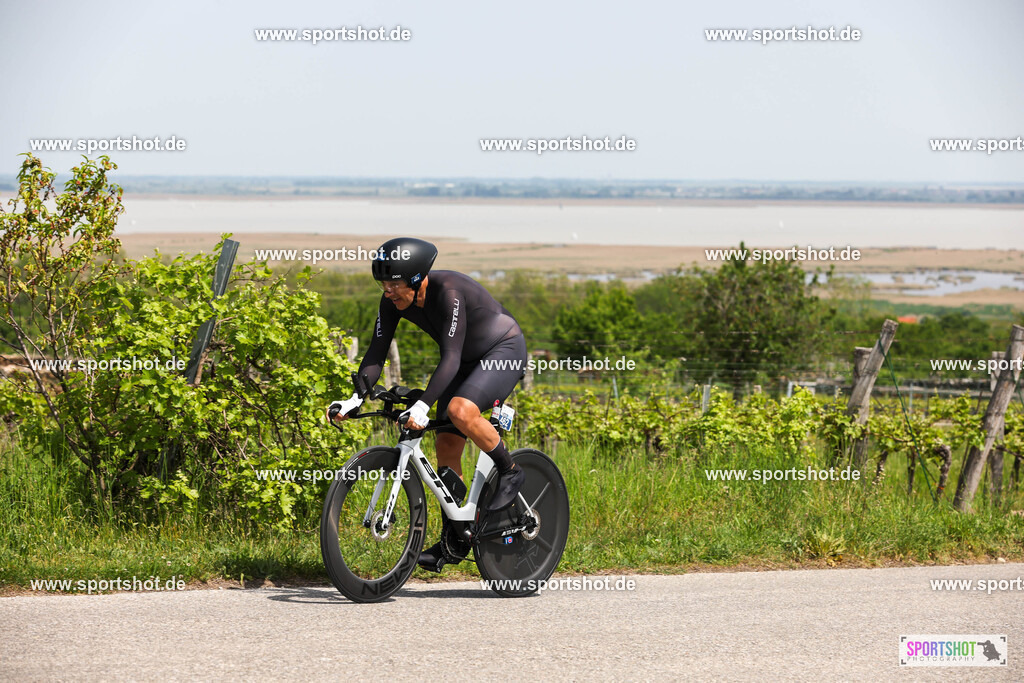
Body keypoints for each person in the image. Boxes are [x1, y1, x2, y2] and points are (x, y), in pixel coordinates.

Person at [327, 237, 527, 571]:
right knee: (446, 448)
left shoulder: (447, 293)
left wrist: (422, 406)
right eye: (383, 283)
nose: (388, 291)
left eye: (394, 284)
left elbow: (449, 357)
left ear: (418, 279)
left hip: (501, 352)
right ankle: (457, 537)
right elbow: (377, 352)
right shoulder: (391, 301)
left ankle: (511, 470)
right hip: (465, 360)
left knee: (460, 411)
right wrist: (354, 398)